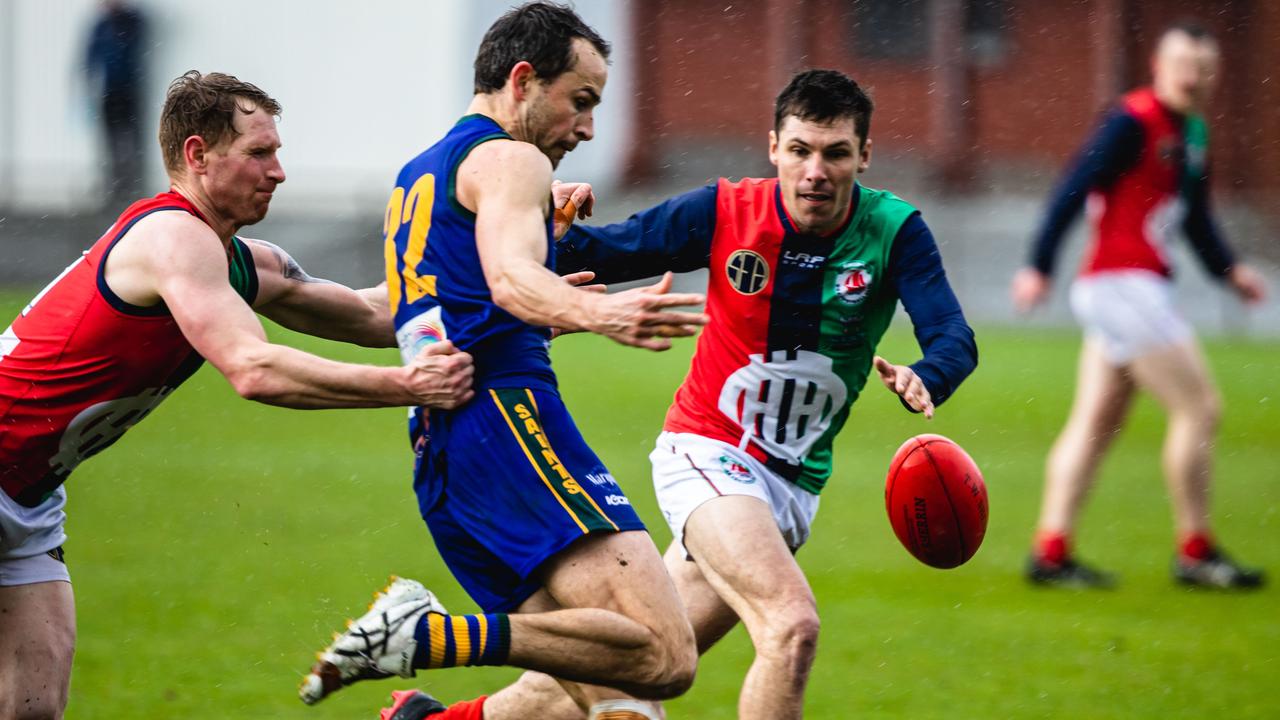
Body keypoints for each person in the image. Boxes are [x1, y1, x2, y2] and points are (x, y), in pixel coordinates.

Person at [371, 68, 978, 720]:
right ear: (774, 147)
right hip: (709, 456)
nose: (815, 172)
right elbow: (616, 250)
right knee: (792, 625)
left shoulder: (895, 231)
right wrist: (552, 226)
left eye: (835, 154)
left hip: (793, 486)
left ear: (864, 155)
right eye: (800, 151)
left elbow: (952, 334)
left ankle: (431, 719)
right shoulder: (725, 209)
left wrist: (929, 372)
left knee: (629, 671)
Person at [0, 70, 475, 720]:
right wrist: (411, 386)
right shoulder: (173, 239)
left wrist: (515, 291)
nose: (278, 172)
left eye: (276, 152)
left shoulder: (238, 258)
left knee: (32, 709)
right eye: (259, 153)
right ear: (197, 155)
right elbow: (254, 369)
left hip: (27, 499)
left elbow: (371, 312)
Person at [298, 5, 706, 720]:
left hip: (446, 451)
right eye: (580, 102)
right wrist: (602, 311)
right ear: (523, 80)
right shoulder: (512, 159)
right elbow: (511, 276)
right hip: (508, 424)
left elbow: (433, 310)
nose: (586, 129)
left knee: (618, 704)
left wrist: (547, 309)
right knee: (664, 653)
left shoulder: (420, 176)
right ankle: (427, 635)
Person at [1011, 22, 1267, 589]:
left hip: (1128, 289)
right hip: (1123, 285)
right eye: (1183, 63)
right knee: (1200, 408)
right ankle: (1196, 551)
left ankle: (1050, 551)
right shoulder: (1130, 120)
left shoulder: (1194, 133)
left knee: (1097, 422)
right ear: (1159, 64)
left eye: (1204, 67)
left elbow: (1196, 219)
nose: (1193, 77)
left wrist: (1231, 272)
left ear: (1214, 75)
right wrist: (1039, 265)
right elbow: (1072, 186)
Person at [84, 0, 148, 207]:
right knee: (111, 139)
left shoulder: (130, 21)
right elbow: (90, 57)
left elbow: (130, 47)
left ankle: (132, 183)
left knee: (131, 137)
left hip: (129, 89)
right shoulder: (101, 25)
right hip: (109, 90)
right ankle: (114, 184)